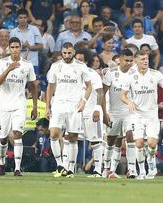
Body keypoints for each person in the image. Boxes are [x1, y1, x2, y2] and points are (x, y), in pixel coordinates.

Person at [120, 50, 163, 179]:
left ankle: (151, 163)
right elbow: (122, 95)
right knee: (139, 143)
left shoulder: (155, 74)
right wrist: (129, 102)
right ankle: (141, 171)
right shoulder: (130, 76)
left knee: (151, 144)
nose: (145, 61)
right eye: (142, 59)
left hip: (152, 115)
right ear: (136, 61)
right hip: (137, 115)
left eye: (146, 59)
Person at [46, 42, 92, 178]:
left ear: (73, 52)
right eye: (64, 53)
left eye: (69, 53)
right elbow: (50, 87)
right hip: (59, 104)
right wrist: (48, 106)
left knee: (72, 136)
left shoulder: (81, 67)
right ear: (61, 52)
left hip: (74, 105)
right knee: (54, 134)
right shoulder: (55, 66)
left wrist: (84, 100)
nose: (67, 55)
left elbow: (89, 86)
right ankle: (60, 165)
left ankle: (70, 168)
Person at [0, 37, 38, 176]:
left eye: (17, 47)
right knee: (3, 138)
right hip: (5, 106)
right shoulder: (2, 63)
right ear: (9, 48)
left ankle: (17, 168)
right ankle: (1, 163)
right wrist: (9, 69)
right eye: (12, 47)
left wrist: (35, 106)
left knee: (18, 134)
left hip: (20, 104)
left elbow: (32, 85)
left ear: (20, 48)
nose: (14, 50)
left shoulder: (27, 65)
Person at [102, 48, 137, 179]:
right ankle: (106, 169)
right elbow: (102, 93)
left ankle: (132, 170)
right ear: (120, 60)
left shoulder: (135, 73)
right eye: (126, 60)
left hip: (129, 112)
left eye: (130, 61)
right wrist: (104, 113)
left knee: (130, 136)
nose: (128, 63)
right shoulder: (111, 73)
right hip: (114, 112)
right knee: (111, 140)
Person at [82, 54, 104, 178]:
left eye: (81, 59)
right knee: (69, 137)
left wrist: (97, 108)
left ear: (86, 61)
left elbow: (100, 92)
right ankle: (67, 169)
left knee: (95, 140)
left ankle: (98, 170)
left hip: (91, 112)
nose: (79, 61)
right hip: (76, 112)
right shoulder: (73, 73)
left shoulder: (93, 74)